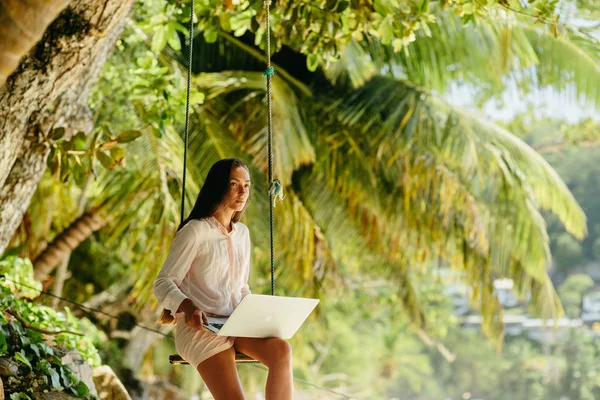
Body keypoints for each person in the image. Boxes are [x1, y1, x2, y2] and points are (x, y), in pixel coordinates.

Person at [154, 158, 293, 400]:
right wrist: (187, 306)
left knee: (281, 350)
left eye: (247, 185)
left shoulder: (243, 234)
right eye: (234, 184)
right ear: (219, 186)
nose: (243, 192)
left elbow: (241, 287)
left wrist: (258, 312)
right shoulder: (196, 231)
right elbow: (163, 282)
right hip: (201, 329)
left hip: (236, 323)